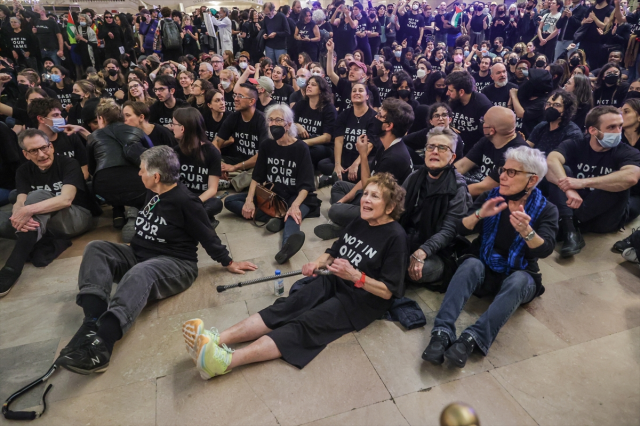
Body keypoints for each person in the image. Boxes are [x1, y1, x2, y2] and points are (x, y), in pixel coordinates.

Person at [56, 146, 257, 374]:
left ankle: (103, 344)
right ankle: (92, 321)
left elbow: (208, 236)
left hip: (176, 263)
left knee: (141, 272)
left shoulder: (186, 201)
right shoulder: (153, 191)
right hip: (141, 253)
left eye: (142, 170)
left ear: (156, 176)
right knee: (97, 248)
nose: (139, 174)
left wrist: (229, 262)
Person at [186, 172, 407, 377]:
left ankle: (224, 362)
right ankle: (215, 338)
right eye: (365, 194)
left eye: (374, 196)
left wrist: (356, 277)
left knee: (305, 324)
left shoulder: (395, 237)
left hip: (361, 300)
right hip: (335, 279)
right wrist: (316, 262)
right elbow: (333, 251)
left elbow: (388, 292)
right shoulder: (360, 220)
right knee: (288, 306)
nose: (365, 200)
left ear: (389, 207)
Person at [422, 146, 558, 368]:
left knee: (520, 280)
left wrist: (527, 232)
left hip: (519, 272)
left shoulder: (546, 209)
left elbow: (545, 249)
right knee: (470, 264)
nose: (502, 176)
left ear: (532, 180)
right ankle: (441, 333)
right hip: (485, 265)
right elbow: (461, 228)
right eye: (503, 169)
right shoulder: (491, 197)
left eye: (512, 172)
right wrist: (479, 214)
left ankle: (472, 339)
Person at [0, 129, 94, 296]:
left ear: (51, 147)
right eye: (34, 151)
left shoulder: (68, 163)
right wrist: (18, 214)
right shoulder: (23, 171)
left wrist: (28, 210)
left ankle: (13, 266)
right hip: (43, 220)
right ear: (26, 154)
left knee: (37, 196)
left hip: (76, 216)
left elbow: (66, 199)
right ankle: (33, 233)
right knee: (7, 213)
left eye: (44, 147)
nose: (42, 154)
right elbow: (20, 200)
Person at [224, 104, 318, 264]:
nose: (273, 123)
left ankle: (286, 247)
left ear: (288, 124)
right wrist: (249, 200)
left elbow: (306, 185)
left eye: (278, 120)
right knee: (230, 201)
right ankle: (276, 216)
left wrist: (295, 206)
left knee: (292, 217)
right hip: (273, 195)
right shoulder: (267, 145)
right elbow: (257, 176)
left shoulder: (301, 148)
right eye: (271, 120)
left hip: (297, 196)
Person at [314, 98, 414, 240]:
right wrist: (346, 199)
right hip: (373, 196)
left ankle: (349, 229)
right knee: (338, 187)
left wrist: (363, 154)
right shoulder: (385, 144)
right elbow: (369, 179)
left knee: (335, 211)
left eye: (380, 115)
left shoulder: (395, 157)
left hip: (383, 210)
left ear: (388, 126)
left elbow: (368, 186)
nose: (375, 117)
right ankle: (351, 224)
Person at [546, 106, 640, 257]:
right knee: (560, 170)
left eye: (620, 126)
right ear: (592, 130)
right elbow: (551, 160)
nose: (618, 131)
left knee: (615, 181)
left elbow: (631, 177)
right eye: (611, 127)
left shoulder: (627, 151)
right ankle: (570, 229)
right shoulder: (577, 143)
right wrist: (569, 188)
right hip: (573, 202)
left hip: (603, 217)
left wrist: (583, 183)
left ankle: (567, 224)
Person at [401, 127, 473, 286]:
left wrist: (423, 251)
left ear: (452, 157)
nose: (434, 151)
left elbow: (448, 231)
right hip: (406, 238)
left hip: (436, 251)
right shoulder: (415, 177)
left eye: (442, 148)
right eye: (430, 147)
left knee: (422, 270)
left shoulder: (458, 188)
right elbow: (397, 211)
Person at [88, 98, 152, 239]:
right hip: (140, 187)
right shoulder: (137, 131)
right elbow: (153, 156)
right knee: (135, 178)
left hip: (103, 190)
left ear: (101, 118)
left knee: (111, 179)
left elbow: (92, 170)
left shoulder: (93, 137)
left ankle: (118, 211)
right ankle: (134, 214)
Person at [454, 105, 527, 196]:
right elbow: (462, 165)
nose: (482, 124)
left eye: (483, 122)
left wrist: (449, 194)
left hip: (491, 200)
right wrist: (441, 179)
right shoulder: (488, 139)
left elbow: (484, 187)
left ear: (492, 130)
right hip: (476, 185)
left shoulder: (515, 154)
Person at [318, 82, 376, 187]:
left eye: (360, 91)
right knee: (323, 164)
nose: (356, 93)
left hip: (363, 158)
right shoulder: (344, 114)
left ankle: (335, 178)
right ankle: (341, 176)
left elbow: (370, 145)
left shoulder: (373, 117)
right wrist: (337, 164)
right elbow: (339, 141)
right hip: (346, 155)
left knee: (362, 170)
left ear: (367, 96)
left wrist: (355, 164)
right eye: (354, 91)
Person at [172, 107, 223, 225]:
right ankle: (203, 222)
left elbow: (212, 189)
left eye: (173, 124)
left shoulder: (212, 152)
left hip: (201, 199)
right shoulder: (175, 152)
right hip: (182, 197)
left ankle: (192, 220)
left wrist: (195, 203)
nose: (171, 127)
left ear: (182, 128)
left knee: (216, 204)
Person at [214, 83, 270, 190]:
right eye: (235, 95)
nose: (235, 99)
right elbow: (216, 144)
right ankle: (231, 178)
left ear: (252, 101)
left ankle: (231, 183)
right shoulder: (233, 117)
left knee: (262, 168)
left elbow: (262, 155)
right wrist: (218, 165)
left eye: (240, 96)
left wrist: (235, 167)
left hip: (255, 163)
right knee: (208, 156)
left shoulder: (263, 121)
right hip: (238, 160)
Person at [28, 98, 89, 180]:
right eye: (55, 115)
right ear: (41, 119)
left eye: (60, 114)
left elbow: (84, 168)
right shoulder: (30, 144)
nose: (61, 118)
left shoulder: (70, 136)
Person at [612, 98, 640, 251]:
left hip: (636, 192)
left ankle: (635, 239)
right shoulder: (615, 138)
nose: (621, 114)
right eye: (621, 110)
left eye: (627, 111)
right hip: (614, 186)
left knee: (628, 211)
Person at [293, 75, 338, 168]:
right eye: (308, 84)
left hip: (322, 146)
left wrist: (304, 143)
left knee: (308, 151)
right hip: (301, 142)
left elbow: (326, 138)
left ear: (320, 90)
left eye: (313, 85)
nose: (308, 86)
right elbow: (288, 122)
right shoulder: (300, 104)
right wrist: (297, 125)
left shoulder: (329, 108)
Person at [445, 71, 493, 154]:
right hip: (453, 145)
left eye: (450, 90)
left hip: (474, 151)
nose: (447, 93)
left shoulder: (482, 105)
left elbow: (489, 135)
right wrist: (448, 126)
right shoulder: (454, 100)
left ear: (461, 92)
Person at [527, 89, 583, 156]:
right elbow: (526, 148)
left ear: (566, 109)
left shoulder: (573, 133)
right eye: (548, 104)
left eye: (557, 105)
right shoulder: (541, 126)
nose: (551, 107)